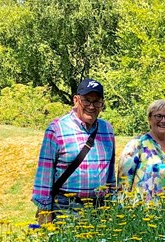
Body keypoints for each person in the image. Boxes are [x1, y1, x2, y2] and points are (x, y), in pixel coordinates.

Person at [32, 78, 116, 224]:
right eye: (86, 100)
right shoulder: (57, 129)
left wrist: (112, 204)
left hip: (100, 209)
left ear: (102, 104)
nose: (91, 106)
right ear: (76, 100)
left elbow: (110, 176)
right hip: (66, 208)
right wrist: (45, 216)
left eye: (96, 101)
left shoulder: (107, 130)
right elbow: (44, 177)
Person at [117, 99, 165, 202]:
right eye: (158, 116)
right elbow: (123, 185)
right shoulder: (137, 145)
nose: (163, 121)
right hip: (144, 213)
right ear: (149, 119)